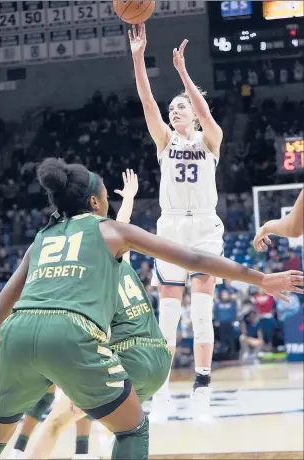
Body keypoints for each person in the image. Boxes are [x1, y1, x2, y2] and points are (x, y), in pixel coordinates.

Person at [0, 158, 303, 459]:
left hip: (16, 333)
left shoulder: (41, 239)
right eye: (106, 195)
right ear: (94, 202)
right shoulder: (111, 230)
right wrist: (261, 278)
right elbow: (194, 259)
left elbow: (2, 307)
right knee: (133, 429)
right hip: (72, 333)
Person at [25, 168, 171, 459]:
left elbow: (95, 325)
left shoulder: (85, 268)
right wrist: (128, 197)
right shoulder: (118, 247)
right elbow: (123, 222)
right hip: (158, 357)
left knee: (55, 422)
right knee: (118, 425)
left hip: (126, 356)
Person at [129, 22, 225, 417]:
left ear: (195, 114)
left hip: (204, 227)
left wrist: (184, 75)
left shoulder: (211, 139)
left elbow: (202, 108)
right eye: (174, 108)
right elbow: (148, 103)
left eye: (181, 106)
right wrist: (138, 58)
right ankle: (162, 384)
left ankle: (202, 381)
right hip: (170, 227)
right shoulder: (165, 141)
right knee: (167, 315)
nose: (174, 110)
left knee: (201, 313)